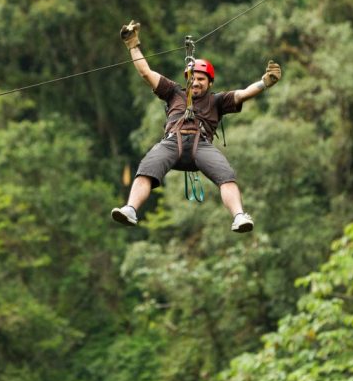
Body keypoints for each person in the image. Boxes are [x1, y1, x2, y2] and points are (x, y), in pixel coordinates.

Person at [111, 20, 281, 232]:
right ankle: (130, 209)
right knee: (146, 168)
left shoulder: (217, 100)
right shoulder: (174, 92)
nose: (197, 82)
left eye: (202, 79)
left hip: (202, 146)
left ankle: (239, 216)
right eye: (193, 78)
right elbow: (146, 73)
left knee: (226, 175)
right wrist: (132, 45)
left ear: (210, 83)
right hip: (173, 142)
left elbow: (244, 93)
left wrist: (264, 83)